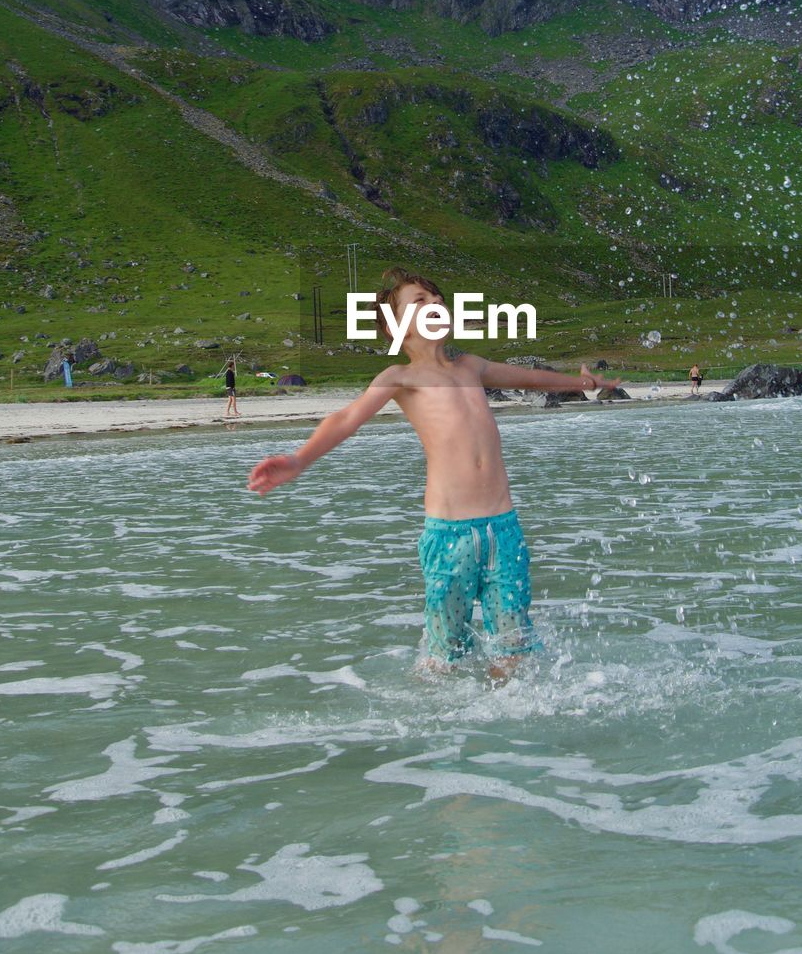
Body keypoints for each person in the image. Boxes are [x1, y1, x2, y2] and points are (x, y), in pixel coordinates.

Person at [248, 267, 620, 679]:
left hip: (503, 529)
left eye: (438, 299)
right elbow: (346, 417)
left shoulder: (471, 367)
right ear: (396, 327)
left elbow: (532, 379)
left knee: (515, 647)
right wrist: (300, 459)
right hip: (449, 536)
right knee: (445, 654)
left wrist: (581, 382)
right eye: (419, 302)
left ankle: (502, 733)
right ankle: (433, 724)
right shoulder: (401, 377)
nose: (434, 305)